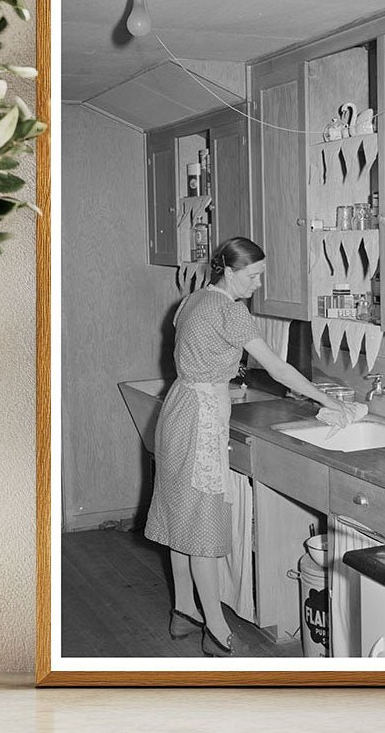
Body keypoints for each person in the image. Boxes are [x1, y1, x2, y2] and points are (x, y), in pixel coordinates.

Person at [144, 236, 350, 657]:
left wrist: (222, 385)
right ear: (231, 271)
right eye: (253, 275)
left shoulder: (193, 300)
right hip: (200, 418)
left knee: (182, 518)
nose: (258, 283)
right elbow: (278, 368)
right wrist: (329, 400)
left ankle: (185, 611)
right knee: (201, 525)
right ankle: (216, 629)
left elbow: (199, 358)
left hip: (179, 406)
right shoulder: (232, 312)